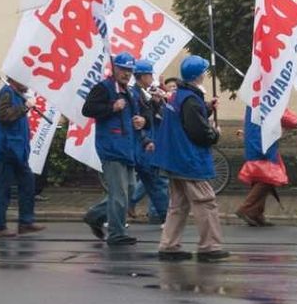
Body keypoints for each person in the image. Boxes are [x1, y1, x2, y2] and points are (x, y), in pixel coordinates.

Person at [156, 56, 229, 261]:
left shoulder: (179, 95)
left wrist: (206, 108)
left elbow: (186, 118)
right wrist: (215, 134)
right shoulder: (190, 99)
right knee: (205, 201)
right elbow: (198, 131)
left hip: (173, 158)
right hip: (188, 159)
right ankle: (210, 247)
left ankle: (169, 245)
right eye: (204, 72)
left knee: (178, 204)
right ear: (199, 75)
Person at [82, 51, 148, 246]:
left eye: (129, 70)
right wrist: (112, 107)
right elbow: (88, 110)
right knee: (120, 194)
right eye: (123, 69)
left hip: (127, 148)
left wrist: (141, 121)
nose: (126, 73)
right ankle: (116, 233)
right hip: (111, 147)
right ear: (115, 68)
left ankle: (95, 215)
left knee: (129, 190)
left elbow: (140, 115)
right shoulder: (103, 88)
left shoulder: (129, 92)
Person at [0, 78, 43, 237]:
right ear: (14, 79)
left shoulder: (16, 94)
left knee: (27, 182)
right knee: (4, 187)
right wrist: (24, 107)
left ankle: (25, 222)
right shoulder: (7, 92)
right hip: (8, 149)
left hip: (17, 149)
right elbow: (3, 116)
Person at [236, 107, 297, 226]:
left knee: (260, 176)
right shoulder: (268, 93)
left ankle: (256, 212)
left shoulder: (255, 91)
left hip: (254, 136)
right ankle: (246, 209)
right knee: (270, 177)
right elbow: (280, 112)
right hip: (264, 138)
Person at [130, 59, 169, 225]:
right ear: (143, 76)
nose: (152, 78)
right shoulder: (135, 94)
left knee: (153, 182)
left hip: (146, 143)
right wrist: (146, 140)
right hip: (143, 145)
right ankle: (165, 217)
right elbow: (138, 121)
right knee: (156, 182)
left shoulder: (142, 94)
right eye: (150, 75)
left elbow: (148, 116)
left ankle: (164, 216)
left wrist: (155, 102)